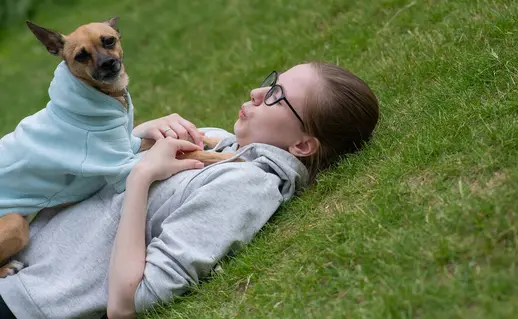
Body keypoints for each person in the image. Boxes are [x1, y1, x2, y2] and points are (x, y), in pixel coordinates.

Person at [0, 62, 379, 319]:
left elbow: (129, 300)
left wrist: (142, 178)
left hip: (22, 298)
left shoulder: (245, 185)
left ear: (302, 146)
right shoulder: (221, 142)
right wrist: (138, 135)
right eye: (271, 82)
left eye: (278, 96)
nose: (256, 92)